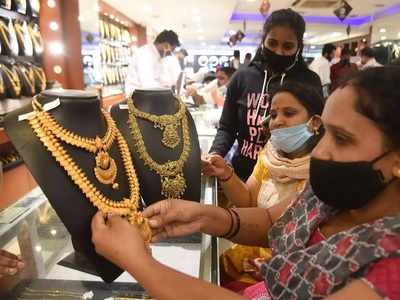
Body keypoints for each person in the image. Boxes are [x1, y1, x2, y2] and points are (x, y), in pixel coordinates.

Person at [92, 67, 400, 300]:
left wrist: (138, 261)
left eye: (342, 139)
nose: (321, 149)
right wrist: (202, 216)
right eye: (326, 132)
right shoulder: (335, 195)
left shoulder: (392, 272)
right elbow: (271, 220)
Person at [211, 82, 323, 287]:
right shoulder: (269, 158)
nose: (277, 121)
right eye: (272, 114)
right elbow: (248, 201)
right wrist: (225, 174)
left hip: (293, 273)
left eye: (289, 113)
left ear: (314, 122)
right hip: (251, 256)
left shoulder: (324, 174)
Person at [205, 9, 322, 181]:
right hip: (241, 175)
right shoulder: (242, 77)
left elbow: (317, 131)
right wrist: (214, 155)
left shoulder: (309, 81)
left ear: (299, 47)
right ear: (263, 41)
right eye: (272, 43)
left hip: (289, 179)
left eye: (288, 46)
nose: (279, 51)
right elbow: (227, 128)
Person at [124, 30, 181, 96]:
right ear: (166, 45)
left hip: (149, 95)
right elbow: (147, 84)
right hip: (136, 97)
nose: (170, 54)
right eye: (172, 50)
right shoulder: (144, 54)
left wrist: (172, 84)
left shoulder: (158, 56)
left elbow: (161, 79)